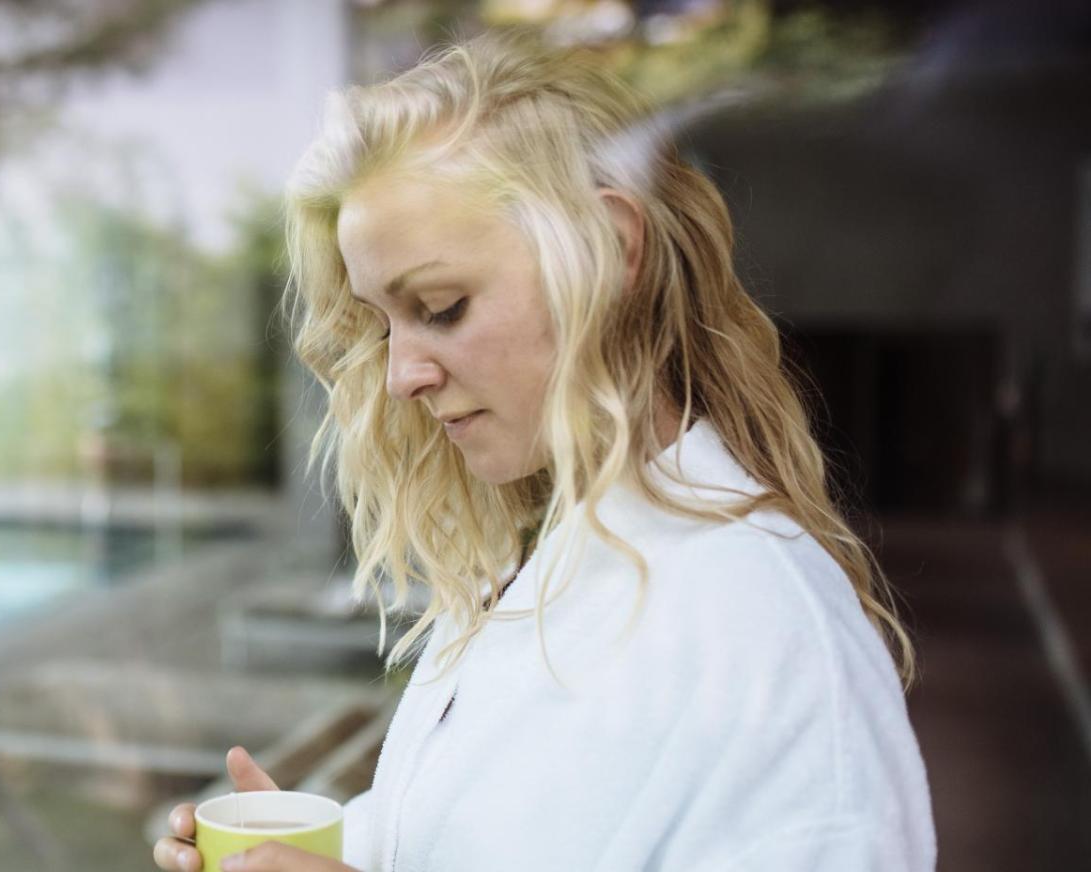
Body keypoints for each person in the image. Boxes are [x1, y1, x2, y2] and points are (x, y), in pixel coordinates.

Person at [151, 28, 935, 872]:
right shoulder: (532, 567)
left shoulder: (765, 641)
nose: (399, 377)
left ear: (607, 251)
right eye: (382, 324)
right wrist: (325, 847)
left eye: (441, 306)